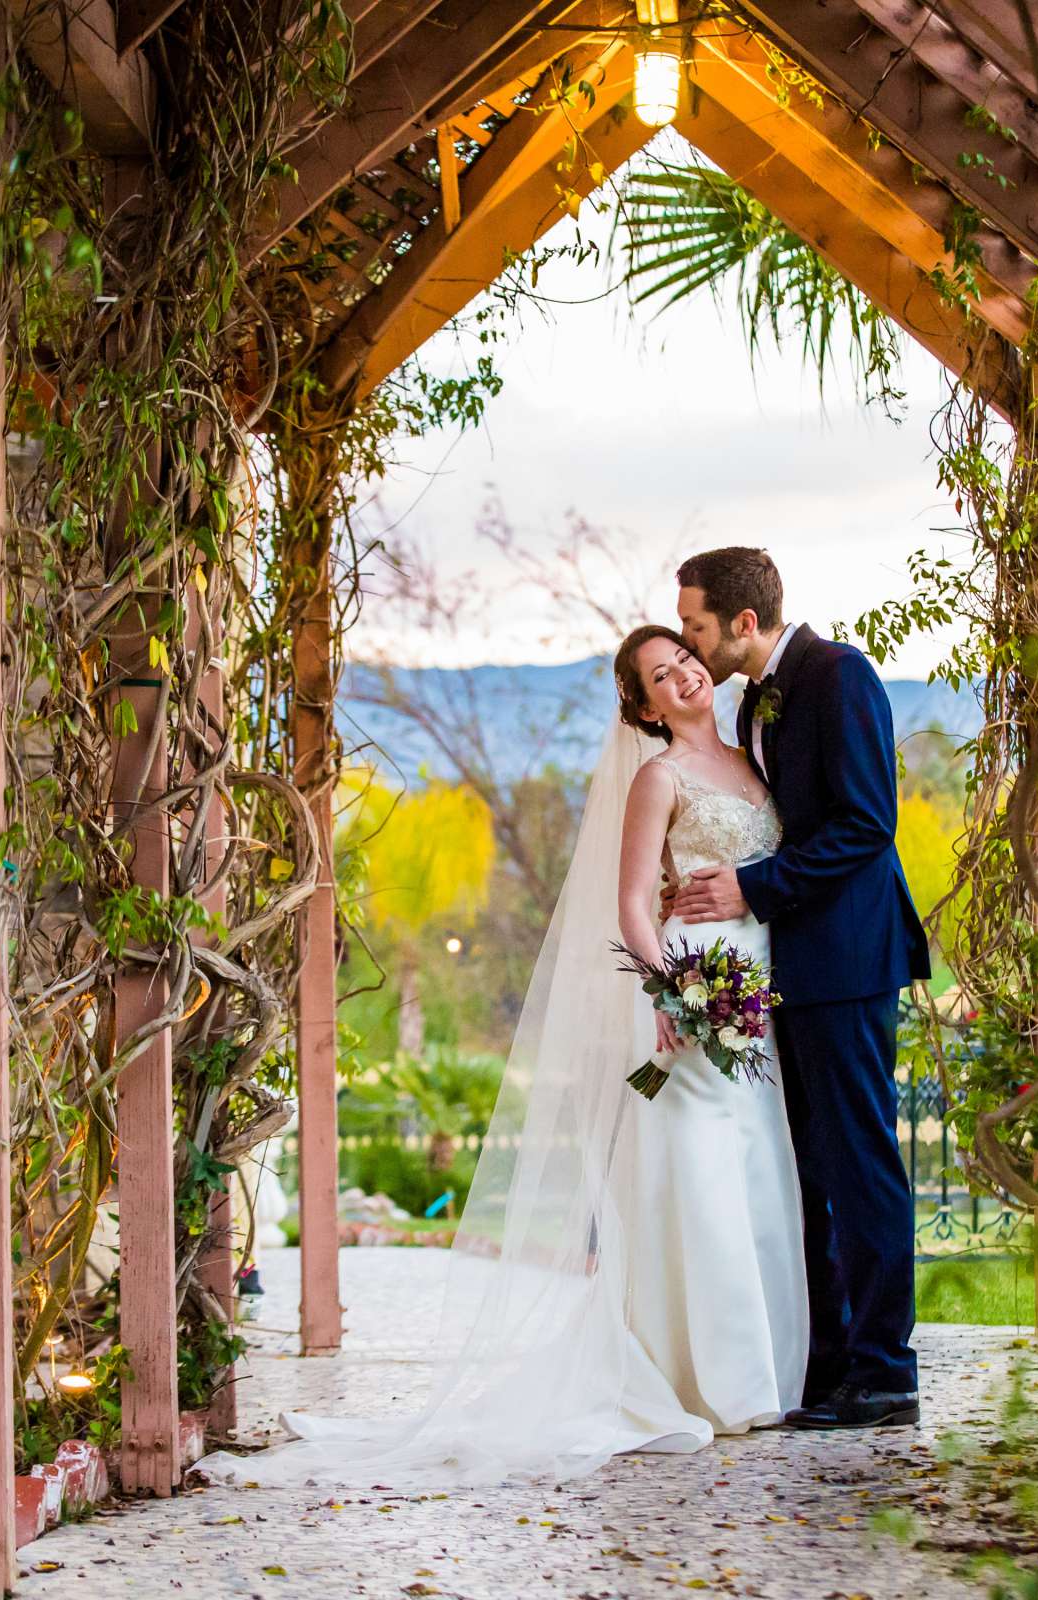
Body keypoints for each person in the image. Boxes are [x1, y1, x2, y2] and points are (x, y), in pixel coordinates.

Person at [234, 624, 806, 1486]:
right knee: (698, 1176)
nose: (685, 675)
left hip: (759, 980)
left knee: (762, 1170)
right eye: (661, 675)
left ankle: (776, 1372)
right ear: (643, 706)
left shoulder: (756, 757)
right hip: (698, 985)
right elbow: (631, 904)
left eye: (685, 659)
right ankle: (710, 1382)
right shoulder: (659, 778)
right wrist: (669, 992)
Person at [669, 546, 931, 1430]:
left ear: (744, 622)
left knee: (859, 1163)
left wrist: (755, 887)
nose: (690, 643)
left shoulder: (839, 676)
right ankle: (826, 1363)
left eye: (697, 626)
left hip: (851, 959)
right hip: (791, 967)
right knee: (811, 1163)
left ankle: (887, 1373)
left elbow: (866, 823)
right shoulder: (754, 702)